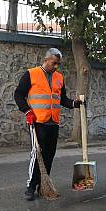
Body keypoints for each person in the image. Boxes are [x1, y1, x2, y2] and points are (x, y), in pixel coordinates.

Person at [14, 48, 82, 201]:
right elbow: (18, 94)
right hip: (37, 121)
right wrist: (27, 111)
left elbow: (61, 98)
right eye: (54, 63)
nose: (56, 66)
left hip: (53, 122)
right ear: (46, 60)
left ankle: (43, 185)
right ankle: (31, 186)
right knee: (37, 153)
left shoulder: (59, 77)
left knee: (49, 155)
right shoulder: (31, 74)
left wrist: (74, 103)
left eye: (58, 64)